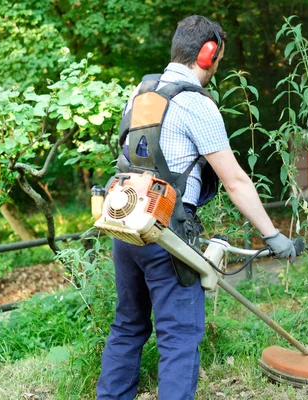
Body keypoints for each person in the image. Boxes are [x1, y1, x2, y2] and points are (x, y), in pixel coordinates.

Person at [96, 15, 296, 400]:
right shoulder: (195, 104)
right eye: (218, 59)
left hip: (126, 223)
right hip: (167, 232)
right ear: (207, 55)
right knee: (180, 335)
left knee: (128, 325)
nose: (216, 67)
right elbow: (235, 180)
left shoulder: (141, 92)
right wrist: (272, 235)